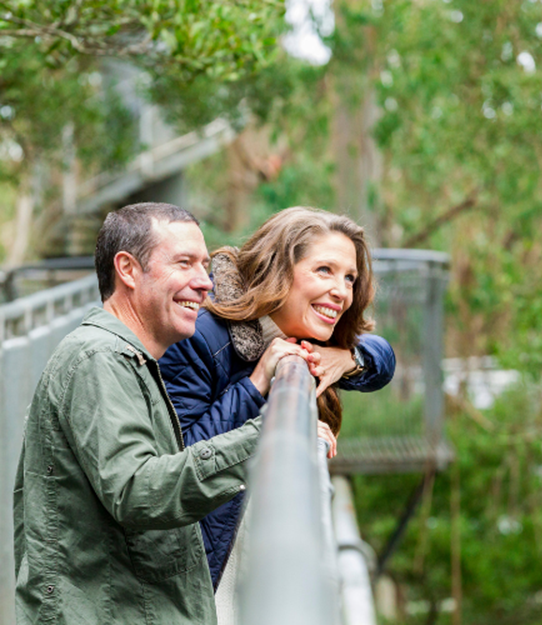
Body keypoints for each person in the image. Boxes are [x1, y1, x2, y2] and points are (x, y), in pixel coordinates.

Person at [13, 203, 263, 625]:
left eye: (204, 265)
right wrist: (263, 439)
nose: (204, 283)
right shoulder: (98, 359)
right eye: (184, 263)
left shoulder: (129, 358)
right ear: (128, 270)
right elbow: (137, 489)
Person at [159, 206, 396, 597]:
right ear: (279, 269)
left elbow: (383, 357)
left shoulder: (307, 332)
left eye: (350, 277)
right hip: (194, 569)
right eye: (324, 270)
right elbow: (179, 463)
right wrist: (256, 386)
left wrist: (349, 359)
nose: (341, 291)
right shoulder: (201, 335)